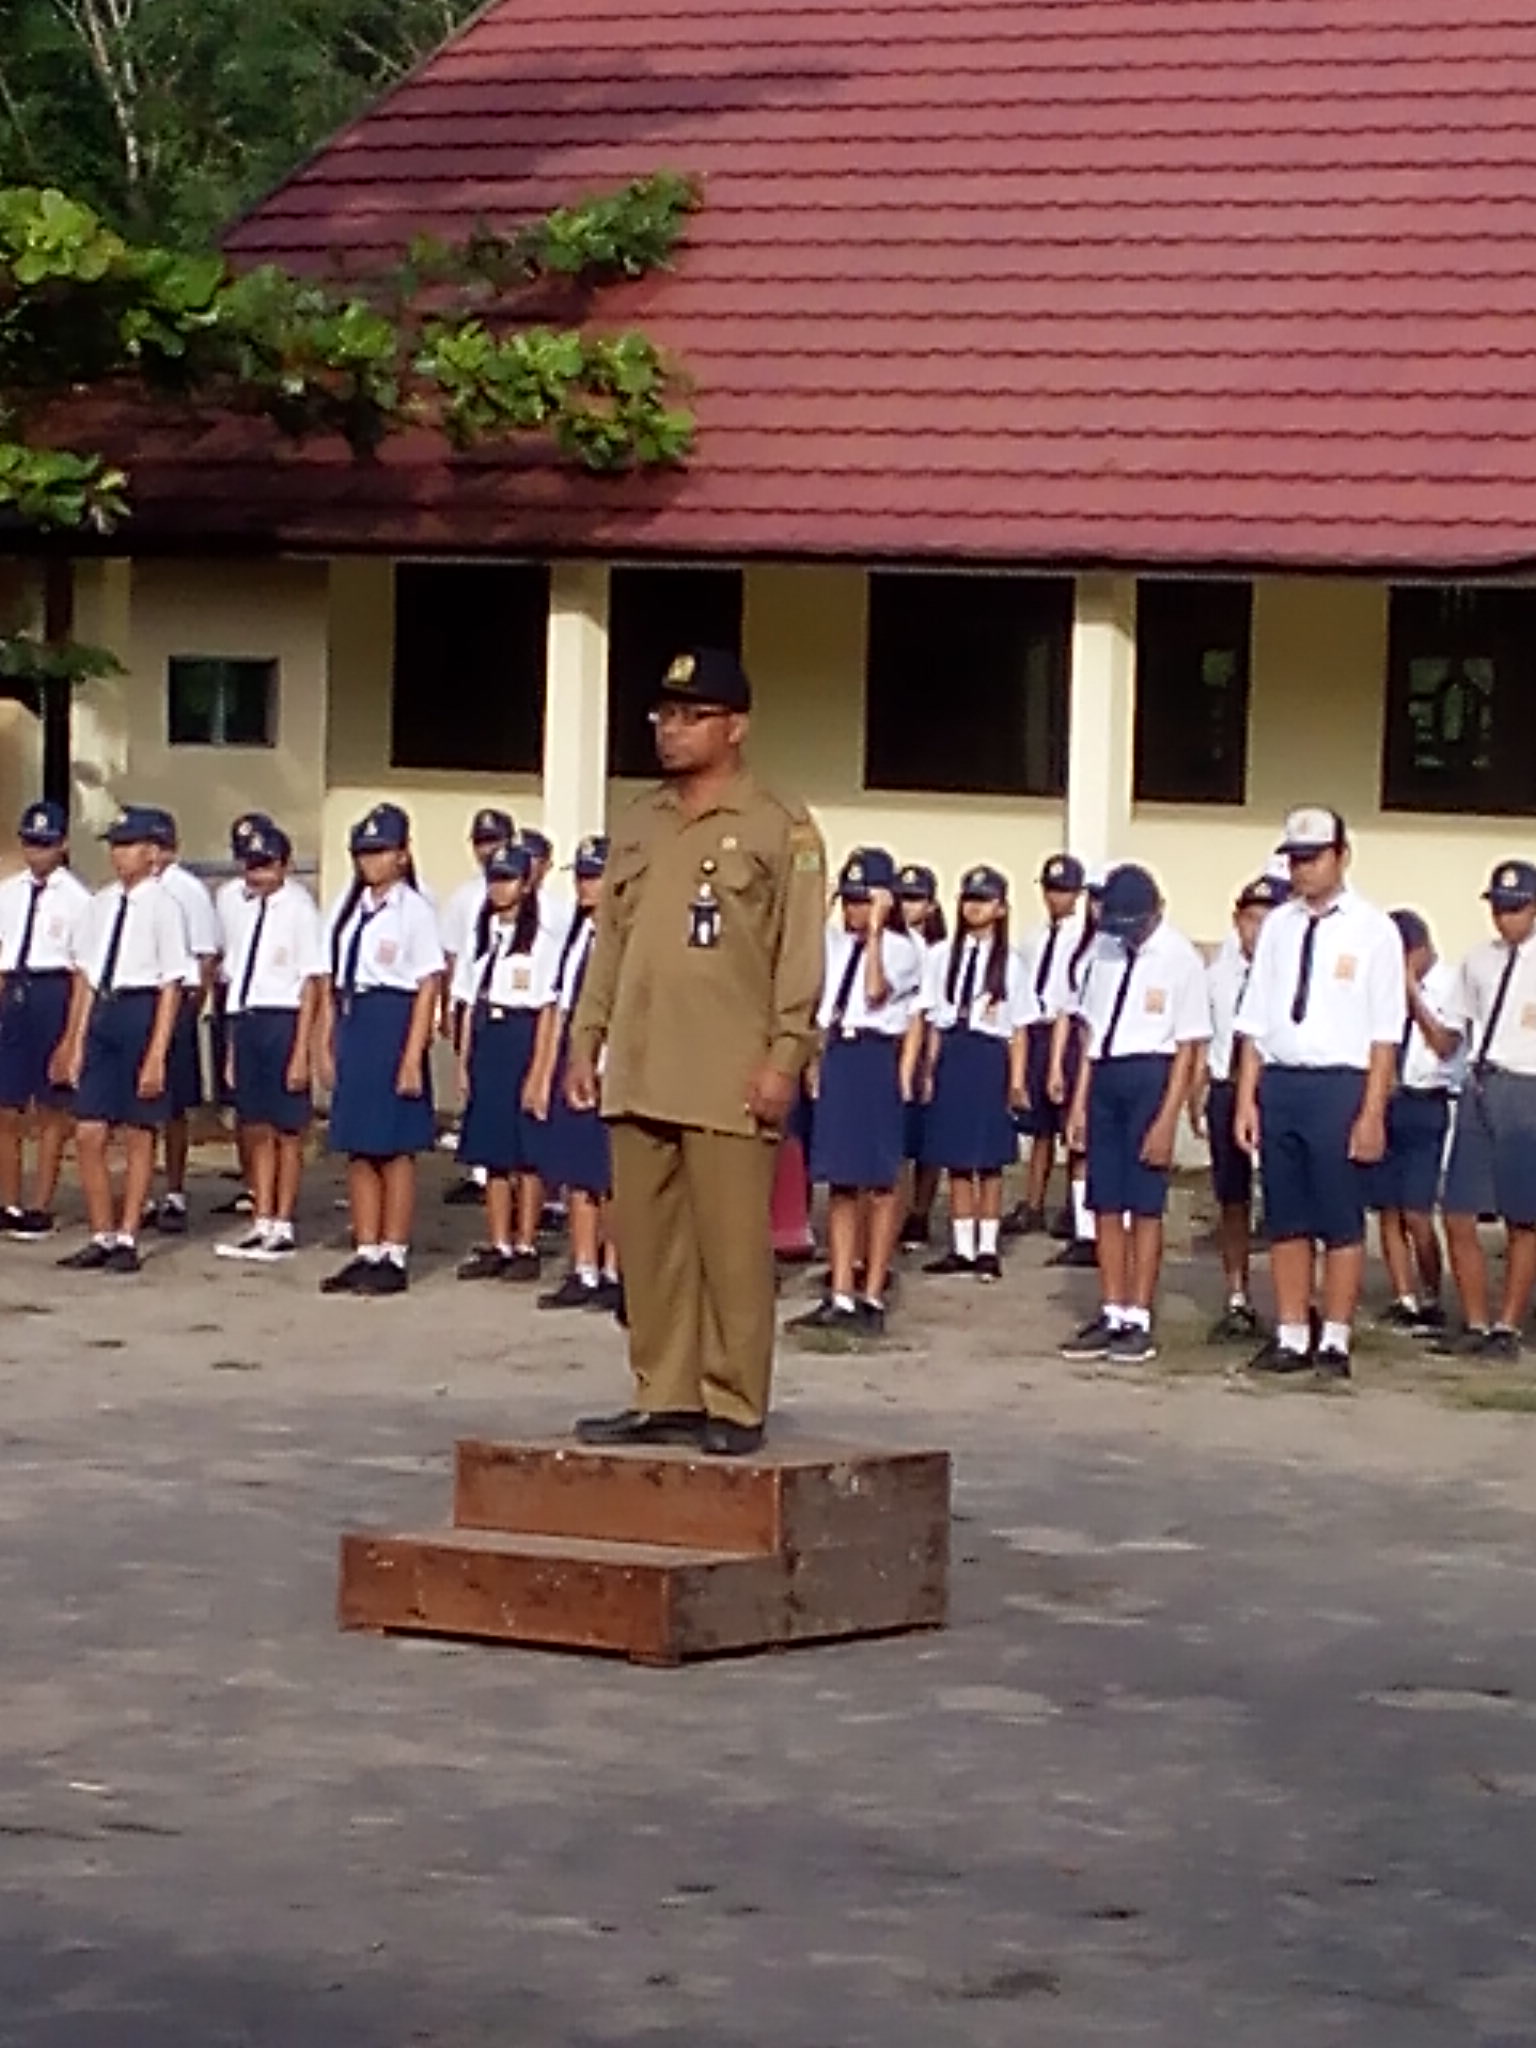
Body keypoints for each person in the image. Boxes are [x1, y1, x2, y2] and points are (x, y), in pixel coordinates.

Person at [566, 645, 826, 1457]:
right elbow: (611, 940)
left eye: (691, 716)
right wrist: (587, 1033)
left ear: (736, 727)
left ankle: (735, 1400)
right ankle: (664, 1391)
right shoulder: (639, 821)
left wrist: (786, 1052)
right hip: (642, 1061)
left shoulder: (779, 826)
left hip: (728, 1066)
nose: (671, 731)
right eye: (664, 715)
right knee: (647, 1243)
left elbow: (800, 951)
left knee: (730, 1246)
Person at [1233, 806, 1403, 1379]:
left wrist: (1372, 1111)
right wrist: (1246, 1098)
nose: (1302, 870)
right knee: (1286, 1217)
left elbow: (1385, 1033)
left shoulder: (1374, 930)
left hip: (1340, 1083)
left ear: (1341, 856)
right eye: (1295, 859)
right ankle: (1290, 1331)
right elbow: (1255, 1020)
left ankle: (1335, 1337)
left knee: (1339, 1219)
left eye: (1313, 858)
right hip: (1283, 1079)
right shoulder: (1279, 924)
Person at [1058, 863, 1209, 1363]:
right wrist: (1079, 1104)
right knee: (1104, 1201)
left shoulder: (1180, 958)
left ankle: (1139, 1315)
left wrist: (1169, 1119)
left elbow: (1189, 1045)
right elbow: (1090, 1034)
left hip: (1153, 1074)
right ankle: (1111, 1308)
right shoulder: (1103, 950)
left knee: (1143, 1205)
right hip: (1106, 1074)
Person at [792, 846, 925, 1335]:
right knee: (841, 1181)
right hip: (840, 1053)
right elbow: (805, 963)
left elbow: (874, 992)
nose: (854, 912)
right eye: (849, 902)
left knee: (880, 1181)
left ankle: (873, 1290)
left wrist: (875, 932)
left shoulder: (902, 949)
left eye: (862, 901)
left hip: (875, 1054)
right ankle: (842, 1290)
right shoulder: (831, 941)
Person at [53, 805, 192, 1273]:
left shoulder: (165, 906)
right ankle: (101, 1230)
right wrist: (73, 1039)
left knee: (137, 1130)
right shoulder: (101, 903)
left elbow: (173, 983)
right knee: (89, 1131)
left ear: (152, 852)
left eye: (128, 846)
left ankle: (129, 1232)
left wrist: (157, 1052)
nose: (119, 855)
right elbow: (86, 976)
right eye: (114, 846)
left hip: (142, 1007)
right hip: (105, 1010)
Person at [318, 804, 444, 1296]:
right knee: (358, 1146)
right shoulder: (350, 908)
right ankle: (365, 1247)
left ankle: (394, 1251)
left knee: (395, 1148)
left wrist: (413, 1054)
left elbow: (428, 983)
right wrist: (325, 1042)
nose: (371, 862)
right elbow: (332, 978)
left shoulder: (413, 910)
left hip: (394, 1021)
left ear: (403, 855)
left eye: (380, 851)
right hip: (357, 1019)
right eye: (363, 853)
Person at [1434, 861, 1536, 1359]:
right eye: (1498, 907)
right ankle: (1474, 1321)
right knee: (1458, 1210)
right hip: (1482, 1080)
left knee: (1523, 1216)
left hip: (1528, 1084)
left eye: (1515, 909)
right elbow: (1454, 1028)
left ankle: (1507, 1326)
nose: (1505, 918)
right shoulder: (1479, 960)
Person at [214, 820, 326, 1262]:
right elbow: (234, 972)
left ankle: (283, 1220)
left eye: (266, 866)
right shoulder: (236, 905)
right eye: (250, 865)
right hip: (247, 1017)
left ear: (286, 864)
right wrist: (231, 1049)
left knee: (286, 1129)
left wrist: (302, 1049)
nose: (257, 875)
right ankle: (260, 1216)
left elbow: (311, 982)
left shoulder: (299, 908)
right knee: (255, 1125)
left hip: (284, 1018)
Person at [453, 842, 562, 1281]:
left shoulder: (541, 942)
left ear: (526, 883)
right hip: (487, 1037)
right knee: (492, 1152)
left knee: (526, 1153)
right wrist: (463, 1061)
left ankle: (526, 1242)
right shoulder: (481, 934)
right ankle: (498, 1241)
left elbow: (548, 1010)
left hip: (522, 1036)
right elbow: (466, 999)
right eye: (494, 880)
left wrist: (539, 1069)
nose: (500, 889)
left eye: (508, 879)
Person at [1190, 873, 1288, 1342]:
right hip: (1227, 1087)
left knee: (1287, 1198)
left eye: (1268, 920)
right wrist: (1197, 1091)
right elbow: (1203, 1038)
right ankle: (1237, 1296)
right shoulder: (1217, 976)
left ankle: (1294, 1302)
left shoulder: (1291, 975)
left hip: (1278, 1087)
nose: (1258, 930)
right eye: (1251, 919)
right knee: (1232, 1197)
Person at [921, 865, 1028, 1282]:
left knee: (988, 1160)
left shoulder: (1011, 963)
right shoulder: (941, 955)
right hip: (953, 1051)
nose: (974, 908)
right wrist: (929, 1069)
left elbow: (1017, 1029)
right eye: (969, 899)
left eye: (983, 901)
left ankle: (987, 1246)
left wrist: (1016, 1081)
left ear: (1001, 909)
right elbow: (932, 1020)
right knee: (957, 1159)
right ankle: (961, 1247)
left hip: (988, 1055)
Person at [537, 834, 624, 1312]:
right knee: (577, 1174)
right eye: (582, 876)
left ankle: (616, 1268)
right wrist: (546, 1068)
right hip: (576, 1060)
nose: (586, 886)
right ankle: (584, 1267)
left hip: (614, 1062)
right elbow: (559, 1006)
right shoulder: (576, 936)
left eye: (595, 876)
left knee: (611, 1176)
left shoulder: (627, 938)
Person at [1368, 908, 1463, 1336]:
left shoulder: (1451, 984)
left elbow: (1444, 1043)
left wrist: (1410, 993)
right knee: (1387, 1207)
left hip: (1427, 1100)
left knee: (1417, 1210)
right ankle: (1403, 1297)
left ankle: (1431, 1295)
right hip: (1389, 1099)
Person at [0, 801, 90, 1237]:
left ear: (63, 845)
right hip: (13, 988)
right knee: (7, 1104)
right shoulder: (8, 892)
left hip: (53, 990)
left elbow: (81, 973)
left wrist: (72, 1036)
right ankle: (9, 1200)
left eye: (46, 844)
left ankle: (41, 1203)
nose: (38, 852)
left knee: (52, 1108)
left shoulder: (78, 899)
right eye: (31, 843)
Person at [146, 809, 220, 1234]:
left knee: (173, 1104)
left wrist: (194, 1006)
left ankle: (173, 1189)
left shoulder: (186, 891)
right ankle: (144, 1190)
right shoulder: (132, 892)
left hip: (178, 1000)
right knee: (139, 1106)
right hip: (141, 999)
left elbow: (206, 955)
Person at [439, 808, 515, 1208]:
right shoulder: (464, 896)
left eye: (496, 841)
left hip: (509, 1003)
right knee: (471, 1084)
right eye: (482, 842)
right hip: (470, 996)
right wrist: (447, 1006)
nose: (488, 850)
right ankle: (479, 1171)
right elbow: (451, 956)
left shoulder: (526, 894)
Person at [1008, 852, 1087, 1236]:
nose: (1057, 898)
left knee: (1071, 1122)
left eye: (1065, 890)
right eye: (1052, 889)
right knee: (1037, 1126)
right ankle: (1033, 1202)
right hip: (1036, 1029)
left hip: (1069, 1031)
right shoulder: (1033, 937)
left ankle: (1076, 1206)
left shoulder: (1083, 937)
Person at [211, 811, 278, 1220]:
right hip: (233, 992)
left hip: (270, 1000)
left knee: (272, 1111)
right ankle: (247, 1178)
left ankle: (269, 1193)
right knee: (237, 1098)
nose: (247, 867)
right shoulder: (227, 896)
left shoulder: (290, 903)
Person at [1045, 872, 1103, 1268]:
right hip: (1079, 1053)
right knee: (1079, 1144)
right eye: (1094, 899)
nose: (1099, 907)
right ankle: (1085, 1230)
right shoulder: (1080, 951)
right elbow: (1067, 1013)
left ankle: (1112, 1227)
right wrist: (1055, 1065)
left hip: (1114, 1057)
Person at [893, 861, 946, 1250]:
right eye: (903, 898)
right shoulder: (889, 944)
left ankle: (920, 1213)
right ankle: (894, 1213)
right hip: (893, 1041)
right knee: (895, 1138)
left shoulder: (939, 952)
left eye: (916, 899)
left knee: (928, 1139)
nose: (908, 906)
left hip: (929, 1038)